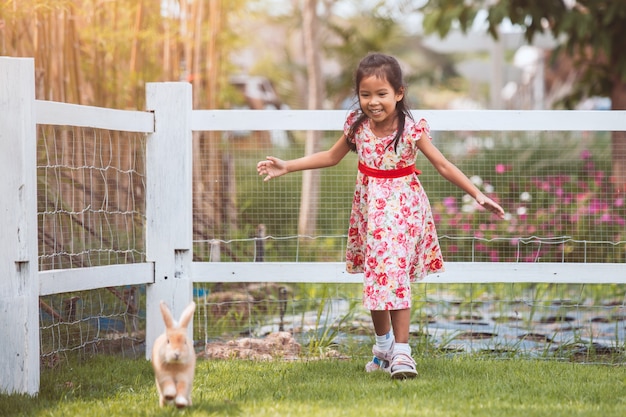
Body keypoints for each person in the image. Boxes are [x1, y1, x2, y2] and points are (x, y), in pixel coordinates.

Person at [257, 52, 505, 379]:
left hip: (404, 209)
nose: (373, 102)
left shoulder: (411, 130)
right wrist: (288, 165)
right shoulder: (357, 127)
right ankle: (383, 346)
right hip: (370, 212)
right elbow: (331, 157)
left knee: (395, 275)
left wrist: (477, 194)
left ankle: (402, 353)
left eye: (381, 94)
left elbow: (443, 165)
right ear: (357, 95)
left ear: (399, 93)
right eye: (365, 94)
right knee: (376, 277)